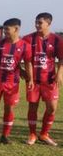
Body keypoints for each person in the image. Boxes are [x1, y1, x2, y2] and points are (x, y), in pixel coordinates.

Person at [0, 18, 33, 144]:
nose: (4, 32)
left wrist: (30, 79)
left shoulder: (24, 46)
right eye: (4, 29)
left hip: (13, 82)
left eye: (7, 29)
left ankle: (5, 136)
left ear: (16, 29)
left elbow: (28, 63)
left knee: (9, 108)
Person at [23, 12, 63, 146]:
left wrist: (59, 73)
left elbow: (61, 59)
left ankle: (44, 134)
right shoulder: (28, 39)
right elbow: (24, 59)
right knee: (33, 107)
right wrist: (27, 75)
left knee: (52, 108)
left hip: (50, 80)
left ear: (48, 23)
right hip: (34, 81)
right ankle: (32, 134)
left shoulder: (57, 40)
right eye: (36, 22)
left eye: (40, 22)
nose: (37, 25)